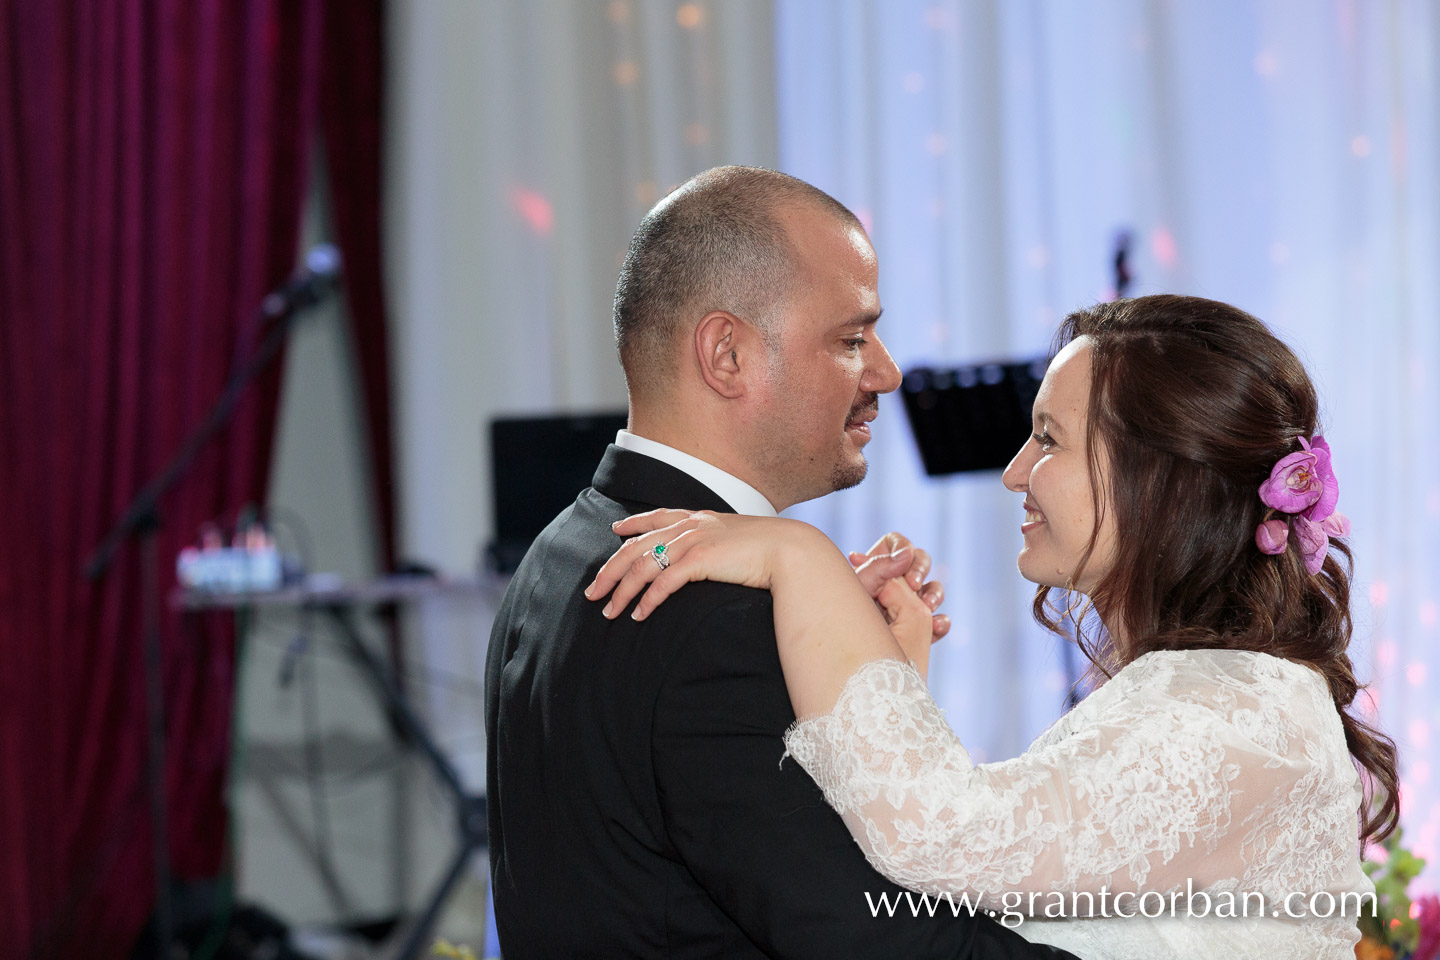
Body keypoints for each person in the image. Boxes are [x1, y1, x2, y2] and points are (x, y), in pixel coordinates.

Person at [589, 294, 1399, 959]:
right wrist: (890, 674)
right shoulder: (1209, 693)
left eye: (1048, 438)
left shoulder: (1237, 717)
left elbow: (945, 837)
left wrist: (800, 561)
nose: (1015, 471)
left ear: (1162, 479)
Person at [484, 166, 1080, 958]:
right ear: (726, 353)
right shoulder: (719, 620)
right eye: (852, 339)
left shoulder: (565, 549)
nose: (887, 374)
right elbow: (886, 945)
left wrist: (861, 671)